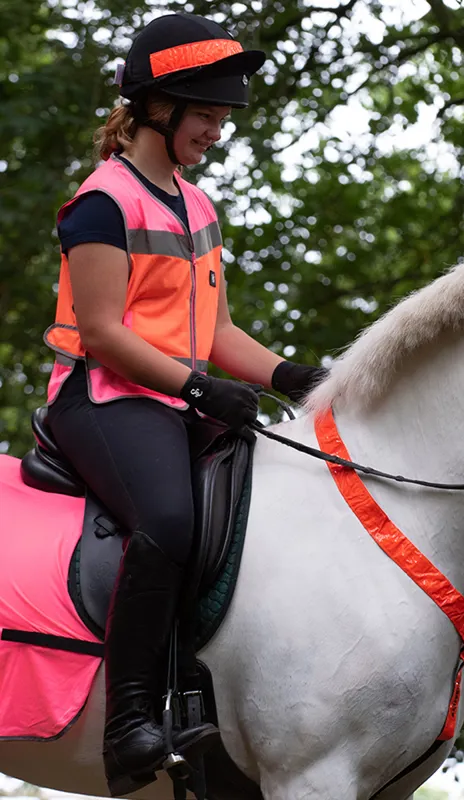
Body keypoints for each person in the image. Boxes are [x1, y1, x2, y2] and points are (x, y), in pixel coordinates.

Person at [42, 13, 325, 796]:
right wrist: (197, 387)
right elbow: (100, 331)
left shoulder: (196, 208)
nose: (216, 130)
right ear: (156, 109)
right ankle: (129, 722)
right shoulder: (101, 203)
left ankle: (206, 692)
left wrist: (293, 376)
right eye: (204, 114)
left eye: (221, 117)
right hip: (103, 399)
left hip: (173, 399)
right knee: (169, 521)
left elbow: (218, 330)